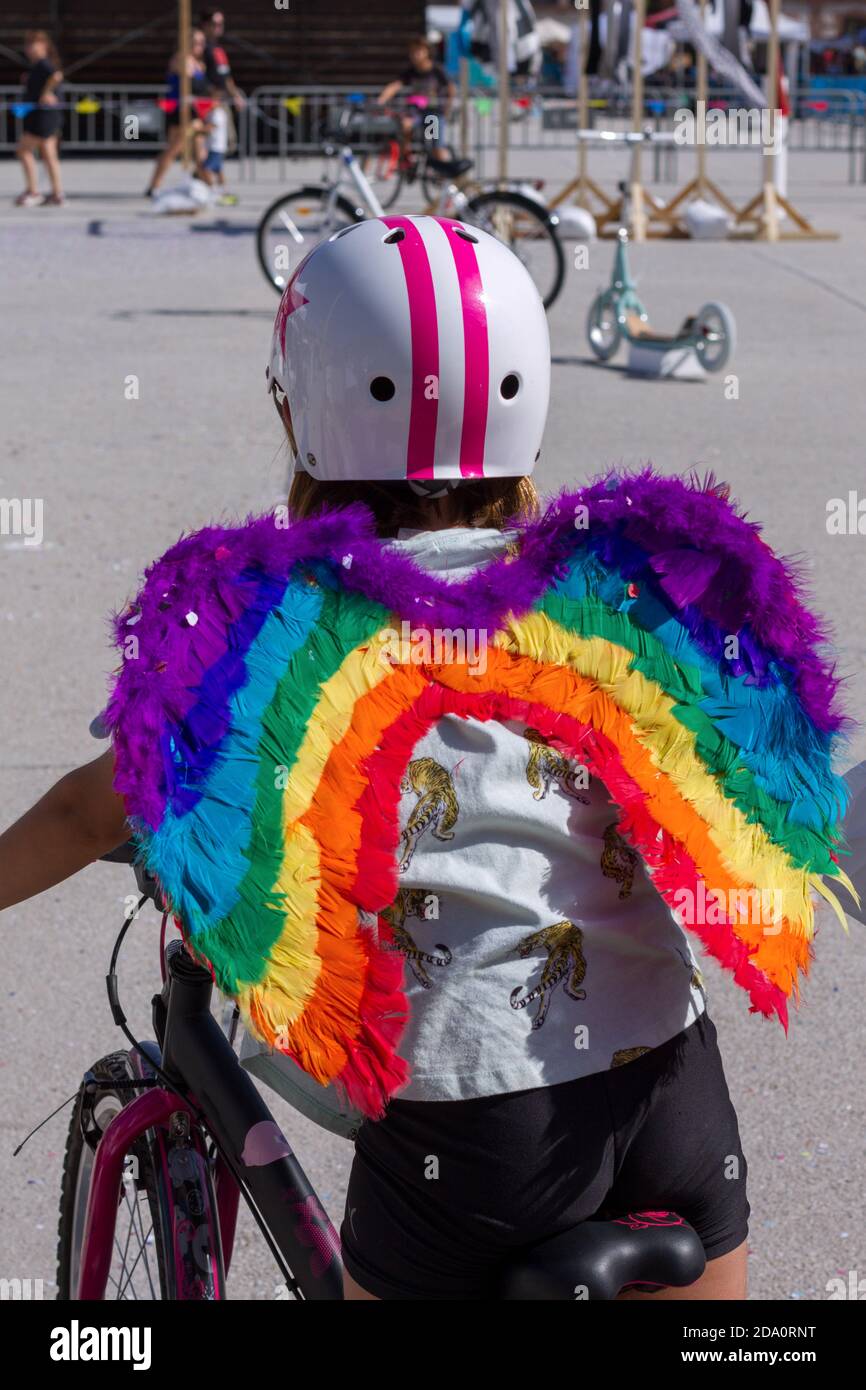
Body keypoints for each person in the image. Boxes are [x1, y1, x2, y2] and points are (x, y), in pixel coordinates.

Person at [0, 216, 855, 1303]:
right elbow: (766, 774)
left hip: (477, 1132)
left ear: (300, 413)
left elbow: (91, 813)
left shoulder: (289, 627)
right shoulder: (612, 595)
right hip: (673, 1096)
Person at [145, 28, 209, 198]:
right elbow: (186, 85)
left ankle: (208, 184)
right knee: (174, 150)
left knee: (200, 152)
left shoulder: (197, 63)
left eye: (202, 43)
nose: (200, 46)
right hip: (181, 112)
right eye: (196, 43)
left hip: (194, 112)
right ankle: (154, 186)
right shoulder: (181, 59)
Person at [377, 34, 459, 166]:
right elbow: (395, 85)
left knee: (435, 145)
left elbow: (451, 89)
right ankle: (406, 157)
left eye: (419, 51)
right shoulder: (411, 71)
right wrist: (382, 99)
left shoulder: (436, 70)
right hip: (416, 112)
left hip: (433, 113)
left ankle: (444, 170)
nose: (415, 55)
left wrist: (447, 108)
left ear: (427, 52)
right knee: (405, 125)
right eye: (413, 52)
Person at [15, 29, 64, 207]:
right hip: (45, 115)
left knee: (23, 149)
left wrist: (46, 93)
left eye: (32, 44)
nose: (28, 49)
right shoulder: (36, 66)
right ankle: (57, 193)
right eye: (27, 45)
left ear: (43, 46)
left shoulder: (44, 63)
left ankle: (33, 191)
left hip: (43, 116)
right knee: (49, 154)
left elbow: (56, 76)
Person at [196, 85, 236, 205]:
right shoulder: (212, 112)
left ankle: (213, 191)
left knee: (206, 169)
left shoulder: (218, 113)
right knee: (218, 170)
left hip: (216, 147)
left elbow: (212, 127)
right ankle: (224, 190)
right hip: (214, 146)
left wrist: (198, 129)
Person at [200, 9, 245, 113]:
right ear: (205, 25)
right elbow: (197, 74)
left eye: (221, 24)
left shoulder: (219, 49)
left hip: (222, 102)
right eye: (215, 24)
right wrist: (211, 91)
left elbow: (226, 75)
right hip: (207, 102)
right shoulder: (200, 48)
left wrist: (236, 95)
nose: (219, 27)